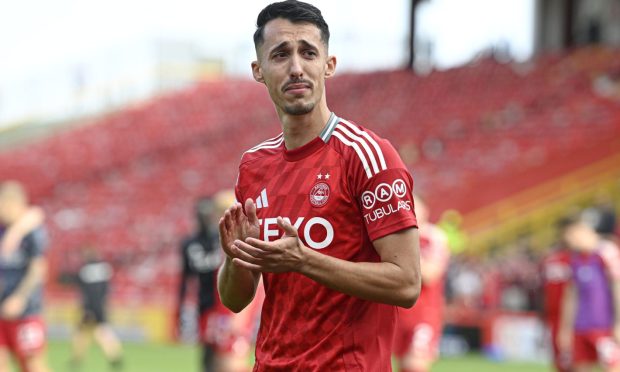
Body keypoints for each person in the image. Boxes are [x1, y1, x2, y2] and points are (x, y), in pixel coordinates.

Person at [217, 1, 422, 370]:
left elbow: (406, 284)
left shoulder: (368, 156)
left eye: (308, 53)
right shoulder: (253, 166)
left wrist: (303, 260)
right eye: (280, 55)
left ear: (328, 65)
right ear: (258, 70)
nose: (296, 68)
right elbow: (235, 299)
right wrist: (234, 258)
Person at [394, 196, 450, 372]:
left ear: (425, 210)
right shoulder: (395, 237)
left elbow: (430, 274)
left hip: (423, 314)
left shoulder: (433, 237)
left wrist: (405, 247)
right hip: (397, 312)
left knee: (415, 365)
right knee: (399, 365)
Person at [558, 215, 620, 372]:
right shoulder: (575, 259)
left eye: (571, 236)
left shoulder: (607, 252)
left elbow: (617, 287)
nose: (570, 241)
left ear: (583, 231)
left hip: (603, 326)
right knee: (581, 367)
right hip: (580, 326)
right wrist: (566, 328)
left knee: (613, 366)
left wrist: (618, 323)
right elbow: (571, 295)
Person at [0, 181, 50, 372]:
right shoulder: (3, 230)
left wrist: (20, 298)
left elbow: (38, 269)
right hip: (1, 309)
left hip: (27, 312)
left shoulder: (32, 232)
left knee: (32, 364)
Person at [69, 246, 123, 371]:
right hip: (101, 305)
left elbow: (85, 290)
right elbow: (106, 288)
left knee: (81, 333)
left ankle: (77, 358)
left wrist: (87, 308)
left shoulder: (85, 270)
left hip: (90, 307)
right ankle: (114, 355)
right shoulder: (105, 268)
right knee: (101, 331)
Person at [541, 220, 573, 372]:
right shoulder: (550, 260)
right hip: (553, 315)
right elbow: (542, 290)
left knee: (575, 357)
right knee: (558, 357)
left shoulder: (579, 261)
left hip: (574, 316)